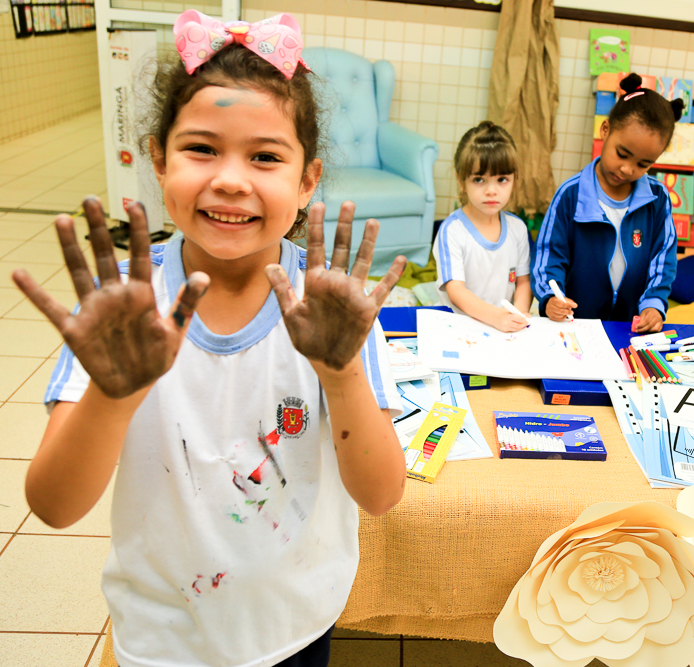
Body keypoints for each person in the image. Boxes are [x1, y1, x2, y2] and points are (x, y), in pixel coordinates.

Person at [10, 11, 407, 667]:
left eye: (265, 156)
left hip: (294, 625)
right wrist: (114, 396)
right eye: (201, 148)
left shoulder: (334, 313)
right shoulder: (125, 316)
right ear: (159, 158)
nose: (229, 178)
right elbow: (53, 506)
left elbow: (382, 493)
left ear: (307, 181)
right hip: (163, 637)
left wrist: (341, 373)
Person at [531, 73, 685, 333]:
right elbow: (549, 256)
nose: (627, 169)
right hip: (573, 326)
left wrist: (654, 303)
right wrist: (550, 296)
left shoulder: (658, 199)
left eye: (643, 164)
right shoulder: (570, 194)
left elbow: (663, 258)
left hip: (630, 328)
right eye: (622, 154)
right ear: (605, 130)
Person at [433, 121, 532, 332]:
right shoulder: (452, 230)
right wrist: (496, 317)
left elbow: (523, 281)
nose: (491, 190)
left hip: (503, 329)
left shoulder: (518, 228)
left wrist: (519, 313)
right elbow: (456, 290)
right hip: (460, 327)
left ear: (514, 180)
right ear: (461, 181)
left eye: (502, 179)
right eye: (479, 180)